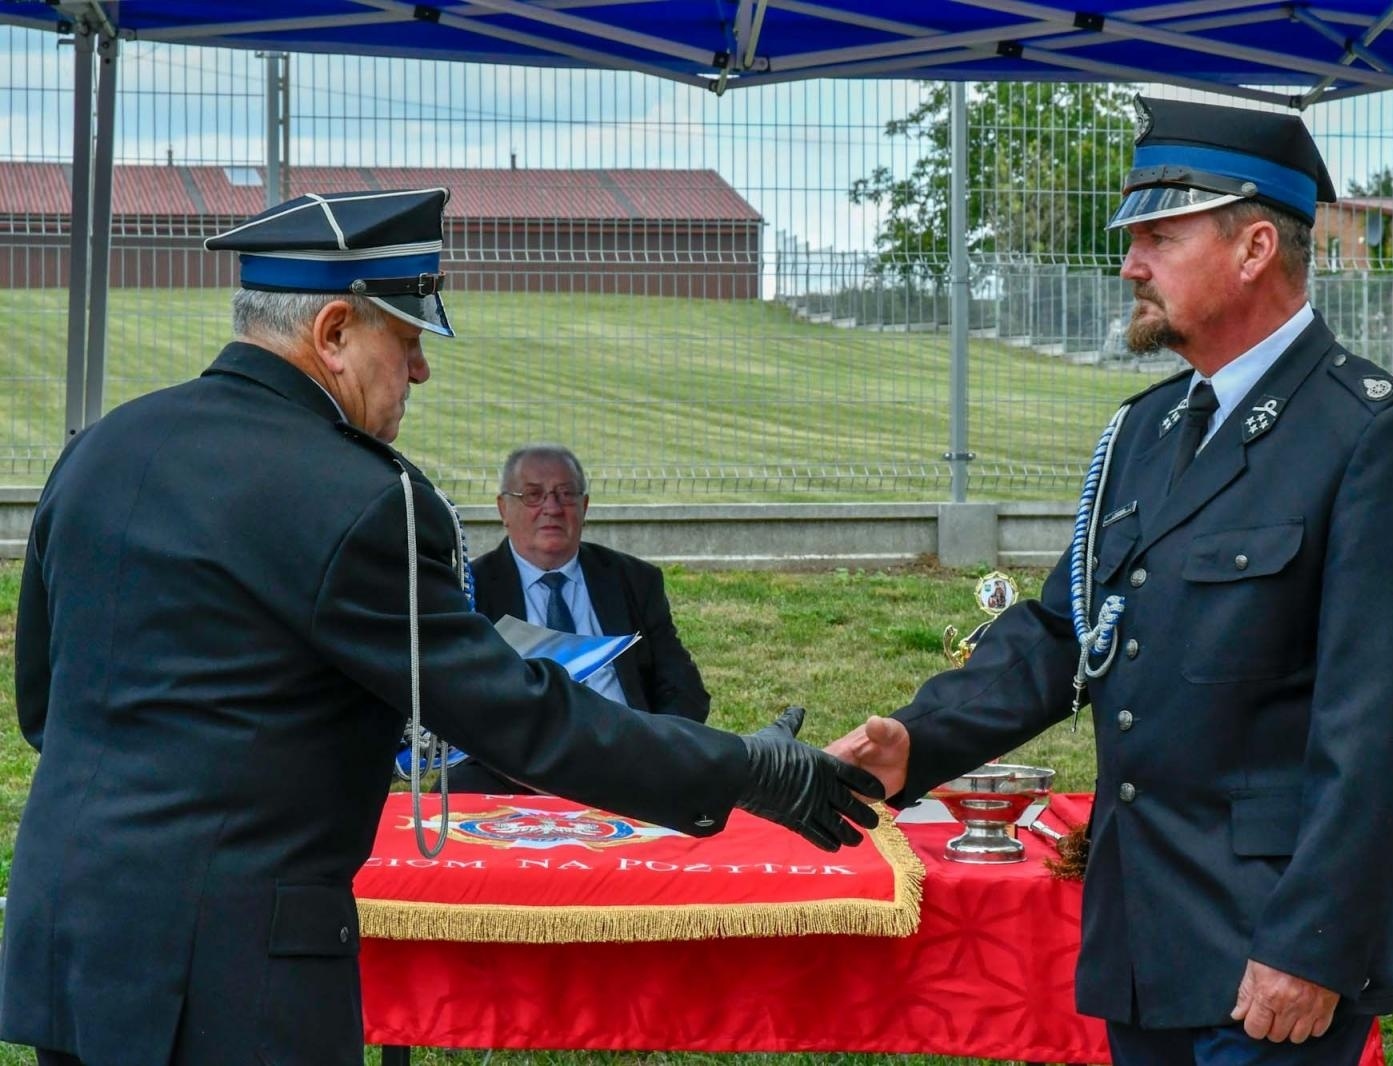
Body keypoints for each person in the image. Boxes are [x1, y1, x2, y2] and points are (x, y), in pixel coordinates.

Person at [1, 187, 882, 1066]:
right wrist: (749, 770)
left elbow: (42, 705)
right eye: (410, 340)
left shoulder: (100, 448)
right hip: (232, 970)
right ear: (335, 332)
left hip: (68, 933)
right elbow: (524, 719)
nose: (419, 371)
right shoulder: (358, 497)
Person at [828, 96, 1393, 1065]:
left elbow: (1378, 733)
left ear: (1255, 247)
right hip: (1147, 937)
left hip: (1271, 951)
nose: (1128, 263)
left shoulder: (1376, 440)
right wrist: (917, 741)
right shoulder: (1147, 429)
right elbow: (1061, 630)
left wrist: (1311, 943)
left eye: (1157, 238)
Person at [452, 442, 710, 793]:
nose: (552, 508)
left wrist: (656, 751)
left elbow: (683, 686)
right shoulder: (470, 591)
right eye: (533, 495)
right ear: (503, 508)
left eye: (566, 494)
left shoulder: (632, 580)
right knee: (460, 790)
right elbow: (460, 707)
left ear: (585, 507)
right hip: (519, 770)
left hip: (630, 760)